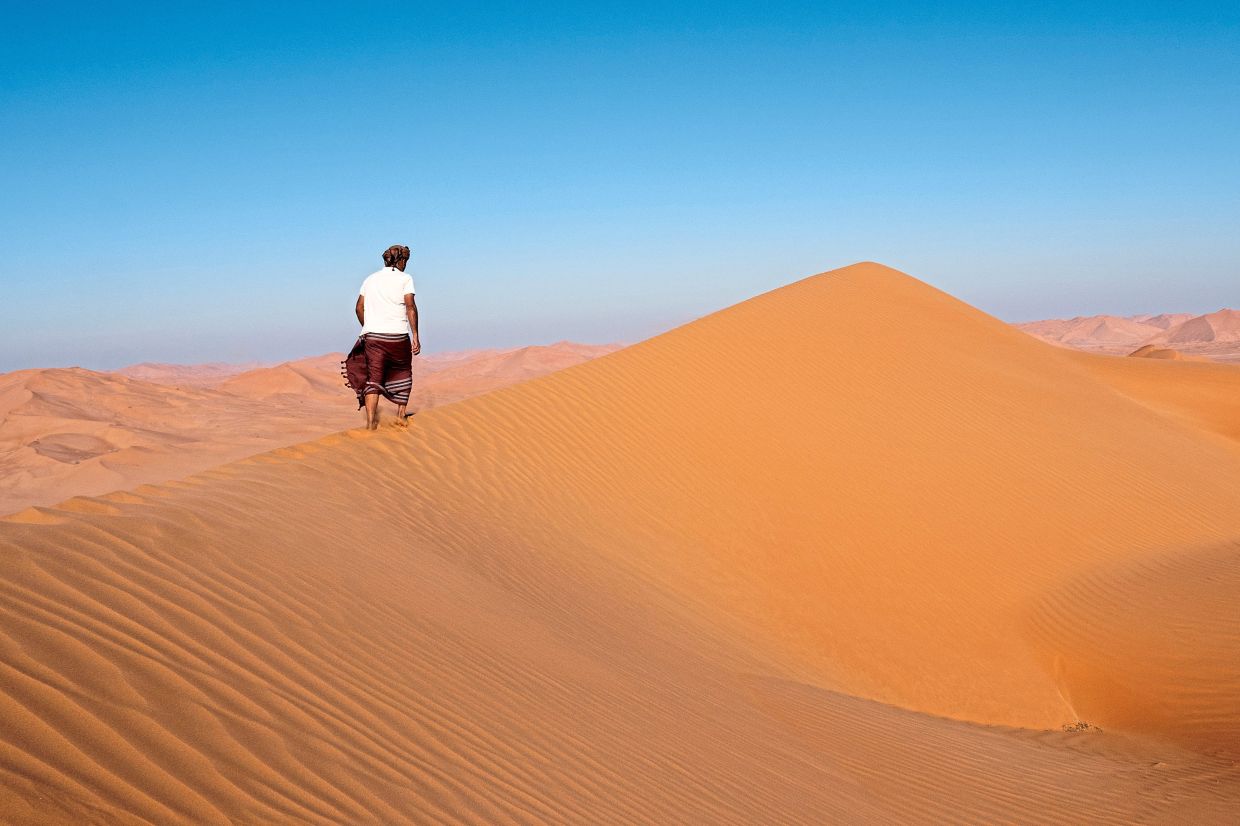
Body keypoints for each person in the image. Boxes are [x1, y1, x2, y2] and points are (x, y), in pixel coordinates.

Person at [349, 244, 421, 429]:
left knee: (374, 378)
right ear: (401, 260)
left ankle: (371, 422)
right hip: (397, 336)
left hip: (372, 337)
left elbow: (358, 307)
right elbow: (410, 307)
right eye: (405, 261)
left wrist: (368, 326)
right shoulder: (405, 278)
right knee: (403, 372)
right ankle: (400, 416)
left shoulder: (370, 279)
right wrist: (416, 335)